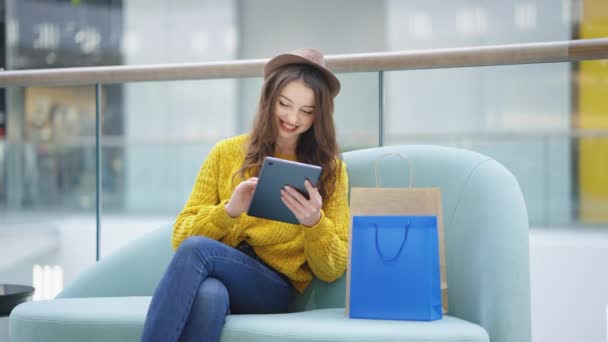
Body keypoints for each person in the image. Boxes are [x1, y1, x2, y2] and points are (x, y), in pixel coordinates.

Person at [140, 48, 350, 342]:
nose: (292, 118)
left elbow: (332, 269)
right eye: (285, 104)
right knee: (210, 296)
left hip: (274, 287)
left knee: (197, 250)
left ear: (320, 115)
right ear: (269, 100)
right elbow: (180, 236)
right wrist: (229, 212)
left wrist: (314, 223)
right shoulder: (226, 153)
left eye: (307, 111)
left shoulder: (330, 170)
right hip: (222, 272)